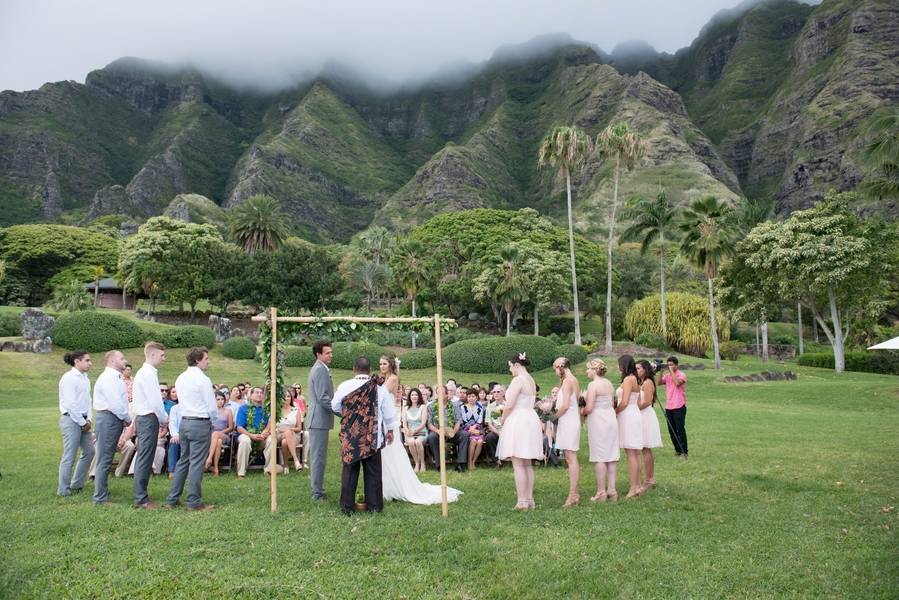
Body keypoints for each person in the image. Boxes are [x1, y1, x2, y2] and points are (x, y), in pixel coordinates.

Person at [331, 357, 397, 514]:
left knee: (349, 471)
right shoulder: (379, 388)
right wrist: (391, 430)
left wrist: (349, 416)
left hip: (350, 437)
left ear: (354, 369)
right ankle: (374, 507)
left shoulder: (345, 385)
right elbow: (388, 412)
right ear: (370, 369)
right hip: (372, 437)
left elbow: (334, 405)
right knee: (373, 472)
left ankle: (347, 507)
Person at [166, 347, 216, 511]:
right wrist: (212, 421)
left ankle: (173, 498)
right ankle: (194, 501)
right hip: (199, 421)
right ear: (197, 360)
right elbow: (211, 406)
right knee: (196, 462)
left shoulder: (180, 378)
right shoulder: (203, 380)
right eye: (206, 358)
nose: (208, 361)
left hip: (185, 422)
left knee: (183, 460)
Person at [497, 352, 543, 510]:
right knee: (527, 463)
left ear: (516, 365)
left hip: (519, 419)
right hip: (530, 418)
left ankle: (522, 501)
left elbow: (510, 405)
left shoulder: (518, 380)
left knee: (518, 463)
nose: (510, 370)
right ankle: (529, 499)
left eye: (510, 366)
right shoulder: (531, 379)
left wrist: (502, 420)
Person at [92, 350, 131, 505]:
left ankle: (102, 491)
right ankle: (100, 497)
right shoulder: (109, 378)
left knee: (106, 457)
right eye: (122, 358)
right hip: (109, 418)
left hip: (112, 418)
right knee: (105, 458)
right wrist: (127, 418)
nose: (125, 361)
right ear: (112, 360)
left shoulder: (115, 377)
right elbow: (115, 403)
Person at [132, 341, 168, 508]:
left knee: (145, 456)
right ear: (152, 355)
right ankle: (141, 499)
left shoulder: (145, 372)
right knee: (145, 458)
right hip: (148, 418)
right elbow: (155, 401)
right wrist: (164, 418)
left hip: (146, 418)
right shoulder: (148, 373)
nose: (164, 359)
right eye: (162, 355)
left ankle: (141, 495)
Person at [58, 350, 95, 497]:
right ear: (77, 361)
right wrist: (81, 422)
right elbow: (70, 404)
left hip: (84, 420)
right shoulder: (69, 378)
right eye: (87, 360)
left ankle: (77, 484)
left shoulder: (85, 378)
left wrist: (89, 419)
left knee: (90, 451)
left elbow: (88, 400)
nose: (90, 363)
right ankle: (63, 490)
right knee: (69, 455)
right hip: (71, 420)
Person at [582, 359, 619, 502]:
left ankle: (601, 492)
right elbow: (611, 402)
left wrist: (582, 411)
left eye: (588, 369)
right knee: (611, 455)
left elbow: (590, 407)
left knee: (600, 455)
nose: (587, 372)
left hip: (598, 420)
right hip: (610, 418)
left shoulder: (593, 385)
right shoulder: (609, 383)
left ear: (594, 370)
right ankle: (612, 490)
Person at [307, 340, 334, 501]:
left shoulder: (322, 369)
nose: (331, 355)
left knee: (320, 457)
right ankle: (316, 493)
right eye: (327, 353)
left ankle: (318, 490)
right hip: (318, 420)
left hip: (319, 420)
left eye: (331, 352)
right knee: (318, 457)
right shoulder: (319, 370)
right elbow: (323, 398)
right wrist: (341, 412)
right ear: (318, 355)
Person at [553, 357, 582, 507]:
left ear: (561, 367)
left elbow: (564, 406)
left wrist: (552, 417)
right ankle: (574, 493)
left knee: (571, 458)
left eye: (555, 369)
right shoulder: (574, 380)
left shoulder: (567, 381)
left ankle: (573, 495)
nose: (555, 372)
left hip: (568, 421)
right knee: (571, 458)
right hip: (571, 420)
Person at [615, 355, 644, 499]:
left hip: (627, 415)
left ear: (623, 365)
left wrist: (614, 412)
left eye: (619, 364)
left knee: (631, 453)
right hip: (635, 413)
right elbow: (638, 402)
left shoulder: (628, 379)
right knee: (635, 453)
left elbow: (625, 401)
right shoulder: (636, 379)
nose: (618, 367)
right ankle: (637, 485)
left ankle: (634, 488)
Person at [234, 387, 277, 478]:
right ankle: (241, 473)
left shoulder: (266, 410)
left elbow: (271, 423)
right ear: (251, 395)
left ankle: (268, 470)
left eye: (261, 393)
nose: (259, 394)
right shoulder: (243, 408)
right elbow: (239, 428)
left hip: (262, 437)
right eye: (257, 392)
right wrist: (251, 435)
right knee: (245, 440)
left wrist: (266, 432)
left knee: (271, 440)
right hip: (247, 435)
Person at [636, 360, 664, 492]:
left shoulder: (647, 382)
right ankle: (647, 477)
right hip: (641, 415)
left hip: (645, 415)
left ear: (646, 370)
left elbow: (647, 402)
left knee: (646, 448)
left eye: (639, 368)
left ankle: (649, 479)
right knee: (642, 448)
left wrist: (634, 410)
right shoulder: (641, 382)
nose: (637, 371)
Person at [426, 387, 468, 473]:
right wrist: (439, 431)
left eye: (442, 393)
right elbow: (429, 424)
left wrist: (452, 432)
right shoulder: (431, 406)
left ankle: (461, 463)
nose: (440, 396)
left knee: (464, 435)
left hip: (452, 431)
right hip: (438, 432)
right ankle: (439, 465)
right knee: (432, 437)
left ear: (446, 394)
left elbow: (458, 421)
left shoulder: (454, 405)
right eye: (438, 393)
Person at [658, 355, 688, 458]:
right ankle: (678, 450)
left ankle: (684, 451)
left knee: (680, 429)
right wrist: (661, 371)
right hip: (669, 406)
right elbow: (659, 383)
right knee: (672, 430)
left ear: (676, 365)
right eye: (668, 364)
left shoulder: (682, 375)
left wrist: (671, 371)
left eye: (671, 364)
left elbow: (677, 383)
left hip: (679, 405)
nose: (669, 366)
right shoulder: (667, 375)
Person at [206, 391, 234, 475]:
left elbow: (231, 427)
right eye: (218, 399)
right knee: (218, 442)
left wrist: (219, 433)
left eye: (222, 399)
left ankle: (209, 459)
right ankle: (216, 468)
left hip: (225, 435)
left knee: (216, 435)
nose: (220, 401)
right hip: (211, 437)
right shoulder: (209, 411)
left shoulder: (228, 411)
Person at [278, 393, 307, 471]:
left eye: (288, 396)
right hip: (279, 435)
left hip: (294, 435)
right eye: (284, 396)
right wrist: (285, 430)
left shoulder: (295, 410)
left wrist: (290, 430)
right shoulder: (277, 410)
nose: (286, 398)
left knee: (285, 442)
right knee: (286, 434)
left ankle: (286, 465)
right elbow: (274, 427)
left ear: (291, 398)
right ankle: (296, 460)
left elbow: (299, 428)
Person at [402, 388, 428, 472]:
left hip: (421, 431)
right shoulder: (405, 408)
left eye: (416, 395)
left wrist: (415, 431)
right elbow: (404, 423)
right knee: (411, 442)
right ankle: (417, 463)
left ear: (419, 396)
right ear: (409, 396)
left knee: (418, 442)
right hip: (410, 432)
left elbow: (423, 423)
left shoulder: (423, 407)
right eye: (412, 395)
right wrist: (407, 430)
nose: (414, 396)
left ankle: (423, 463)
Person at [459, 388, 485, 471]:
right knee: (473, 441)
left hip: (477, 429)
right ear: (467, 397)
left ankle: (474, 461)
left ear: (476, 397)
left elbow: (480, 421)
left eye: (473, 396)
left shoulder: (479, 409)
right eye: (469, 396)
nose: (471, 398)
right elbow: (463, 420)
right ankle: (469, 462)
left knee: (480, 442)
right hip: (467, 429)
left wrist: (475, 428)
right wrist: (471, 428)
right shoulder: (463, 408)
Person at [484, 385, 505, 467]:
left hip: (507, 430)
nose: (496, 394)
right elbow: (489, 424)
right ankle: (497, 461)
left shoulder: (508, 405)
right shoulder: (490, 407)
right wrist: (498, 433)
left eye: (498, 392)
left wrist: (504, 432)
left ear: (503, 393)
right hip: (495, 430)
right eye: (494, 392)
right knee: (489, 437)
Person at [166, 401, 183, 477]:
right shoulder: (175, 408)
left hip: (191, 435)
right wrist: (175, 435)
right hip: (178, 435)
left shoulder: (193, 407)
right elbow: (172, 423)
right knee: (174, 442)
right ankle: (172, 471)